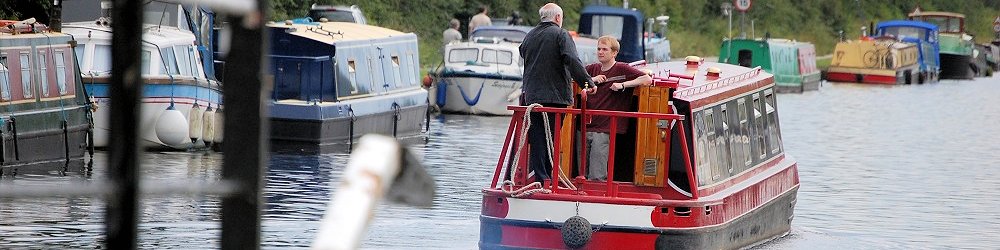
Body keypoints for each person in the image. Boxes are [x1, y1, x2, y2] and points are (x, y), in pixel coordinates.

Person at [520, 3, 595, 181]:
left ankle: (541, 177)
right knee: (551, 138)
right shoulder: (560, 34)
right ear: (558, 18)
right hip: (554, 97)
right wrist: (587, 83)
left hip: (532, 97)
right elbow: (571, 59)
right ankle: (548, 177)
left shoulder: (530, 35)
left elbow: (524, 53)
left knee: (538, 138)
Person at [583, 36, 652, 181]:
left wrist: (623, 85)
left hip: (606, 126)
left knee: (597, 171)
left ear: (614, 53)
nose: (600, 52)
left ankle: (597, 196)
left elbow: (647, 79)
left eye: (605, 49)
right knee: (582, 169)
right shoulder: (592, 69)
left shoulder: (621, 68)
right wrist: (591, 80)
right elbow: (571, 76)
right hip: (586, 124)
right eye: (598, 49)